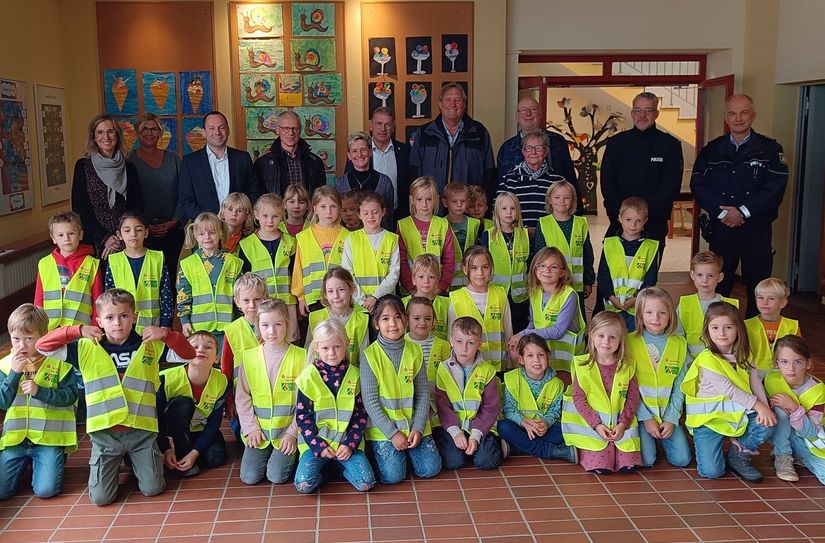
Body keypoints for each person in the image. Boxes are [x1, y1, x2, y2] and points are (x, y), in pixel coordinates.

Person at [36, 289, 196, 505]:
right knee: (101, 499)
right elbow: (42, 346)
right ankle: (122, 460)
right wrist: (77, 330)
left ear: (135, 317)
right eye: (110, 317)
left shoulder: (149, 344)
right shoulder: (85, 347)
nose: (117, 323)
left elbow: (189, 354)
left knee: (153, 489)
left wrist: (167, 334)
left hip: (141, 432)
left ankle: (134, 460)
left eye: (124, 316)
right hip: (105, 435)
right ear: (99, 321)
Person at [691, 94, 789, 318]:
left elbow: (775, 188)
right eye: (732, 113)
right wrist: (724, 211)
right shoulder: (712, 150)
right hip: (722, 229)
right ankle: (717, 335)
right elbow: (698, 184)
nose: (738, 118)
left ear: (753, 116)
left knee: (759, 288)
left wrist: (743, 211)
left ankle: (754, 338)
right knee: (717, 285)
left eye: (744, 112)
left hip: (757, 229)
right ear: (726, 117)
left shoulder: (771, 150)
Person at [681, 301, 776, 481]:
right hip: (709, 421)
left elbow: (755, 382)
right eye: (715, 327)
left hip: (737, 414)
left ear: (738, 329)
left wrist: (765, 408)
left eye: (728, 327)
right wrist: (758, 406)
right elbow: (730, 390)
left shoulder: (745, 354)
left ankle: (738, 452)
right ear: (707, 330)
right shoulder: (706, 359)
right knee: (712, 472)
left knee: (767, 423)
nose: (721, 333)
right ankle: (722, 445)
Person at [361, 295, 442, 484]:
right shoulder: (369, 356)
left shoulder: (415, 351)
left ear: (405, 320)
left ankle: (408, 453)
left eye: (398, 317)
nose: (393, 324)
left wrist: (419, 428)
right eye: (385, 318)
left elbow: (423, 394)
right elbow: (370, 401)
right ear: (376, 324)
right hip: (385, 431)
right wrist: (393, 434)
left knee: (431, 469)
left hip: (413, 425)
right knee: (393, 477)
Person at [0, 304, 77, 500]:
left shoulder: (60, 362)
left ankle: (53, 459)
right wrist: (14, 374)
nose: (21, 345)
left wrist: (40, 391)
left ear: (43, 335)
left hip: (48, 440)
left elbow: (71, 396)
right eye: (16, 339)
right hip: (16, 442)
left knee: (46, 491)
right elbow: (2, 402)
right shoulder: (4, 365)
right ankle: (24, 463)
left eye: (29, 338)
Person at [294, 319, 375, 493]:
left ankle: (338, 466)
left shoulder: (355, 375)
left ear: (346, 344)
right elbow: (303, 418)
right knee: (303, 485)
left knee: (366, 483)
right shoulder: (308, 377)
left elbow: (360, 415)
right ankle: (325, 469)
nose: (331, 353)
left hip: (346, 444)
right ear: (316, 348)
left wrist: (350, 444)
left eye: (337, 347)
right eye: (325, 348)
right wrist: (319, 447)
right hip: (316, 445)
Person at [600, 92, 683, 256]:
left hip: (654, 224)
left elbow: (670, 187)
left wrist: (641, 217)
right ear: (632, 113)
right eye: (637, 110)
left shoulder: (670, 145)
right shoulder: (616, 143)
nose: (642, 115)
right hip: (619, 223)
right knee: (612, 277)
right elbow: (607, 184)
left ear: (656, 114)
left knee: (648, 280)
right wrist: (624, 217)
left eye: (648, 110)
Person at [236, 299, 307, 485]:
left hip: (287, 433)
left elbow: (307, 401)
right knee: (249, 477)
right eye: (265, 325)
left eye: (278, 324)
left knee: (276, 477)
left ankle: (292, 454)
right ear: (258, 326)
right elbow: (242, 397)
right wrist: (250, 428)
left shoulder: (301, 356)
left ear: (288, 324)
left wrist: (293, 433)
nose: (272, 331)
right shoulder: (249, 357)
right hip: (259, 432)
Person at [561, 311, 642, 474]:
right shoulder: (582, 365)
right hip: (593, 427)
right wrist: (597, 425)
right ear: (591, 335)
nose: (606, 342)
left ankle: (617, 450)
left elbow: (633, 398)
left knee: (629, 467)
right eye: (601, 336)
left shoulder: (627, 366)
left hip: (622, 426)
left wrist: (622, 424)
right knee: (602, 467)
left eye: (612, 337)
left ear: (620, 340)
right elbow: (579, 399)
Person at [627, 288, 692, 468]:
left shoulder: (679, 344)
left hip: (667, 413)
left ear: (670, 315)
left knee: (682, 460)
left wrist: (672, 418)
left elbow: (681, 386)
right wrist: (646, 419)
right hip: (641, 414)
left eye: (662, 312)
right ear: (640, 314)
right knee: (647, 461)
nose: (655, 318)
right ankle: (650, 437)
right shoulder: (628, 342)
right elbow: (627, 386)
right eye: (649, 312)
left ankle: (662, 436)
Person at [433, 316, 502, 470]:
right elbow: (442, 406)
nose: (464, 348)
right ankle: (463, 449)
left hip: (481, 427)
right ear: (451, 341)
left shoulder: (488, 371)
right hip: (452, 426)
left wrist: (476, 436)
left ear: (479, 344)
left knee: (486, 461)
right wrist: (456, 433)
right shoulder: (443, 370)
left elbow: (490, 407)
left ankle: (497, 446)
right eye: (459, 341)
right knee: (453, 462)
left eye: (470, 343)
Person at [157, 331, 229, 477]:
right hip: (172, 429)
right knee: (183, 403)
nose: (200, 350)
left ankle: (186, 457)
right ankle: (179, 453)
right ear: (184, 354)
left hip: (199, 429)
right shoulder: (166, 379)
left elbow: (214, 423)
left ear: (216, 358)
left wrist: (194, 454)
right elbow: (155, 417)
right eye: (194, 347)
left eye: (208, 347)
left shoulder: (221, 381)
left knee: (216, 457)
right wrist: (165, 448)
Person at [72, 114, 144, 258]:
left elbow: (136, 207)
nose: (106, 137)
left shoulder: (129, 168)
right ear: (94, 137)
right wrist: (105, 238)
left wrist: (120, 237)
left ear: (117, 135)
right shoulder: (83, 166)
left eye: (110, 131)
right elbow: (79, 208)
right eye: (100, 132)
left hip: (125, 240)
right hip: (94, 239)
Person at [409, 83, 497, 201]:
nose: (453, 104)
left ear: (464, 104)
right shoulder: (425, 133)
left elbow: (489, 174)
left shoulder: (479, 133)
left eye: (458, 100)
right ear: (440, 104)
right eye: (448, 99)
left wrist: (478, 204)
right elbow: (414, 173)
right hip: (433, 209)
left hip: (468, 208)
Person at [498, 334, 576, 462]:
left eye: (541, 355)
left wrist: (545, 424)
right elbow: (509, 410)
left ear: (547, 357)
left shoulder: (556, 384)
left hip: (543, 428)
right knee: (504, 427)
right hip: (520, 425)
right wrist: (525, 423)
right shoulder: (512, 379)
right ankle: (552, 451)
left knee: (564, 430)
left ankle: (515, 447)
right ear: (521, 360)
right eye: (530, 356)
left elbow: (555, 411)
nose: (536, 360)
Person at [176, 212, 243, 357]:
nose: (207, 237)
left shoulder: (233, 262)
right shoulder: (188, 264)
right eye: (201, 234)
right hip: (199, 329)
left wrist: (241, 321)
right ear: (195, 235)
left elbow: (241, 294)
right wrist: (184, 320)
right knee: (203, 364)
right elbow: (183, 294)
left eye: (212, 232)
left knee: (226, 365)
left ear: (220, 233)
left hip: (228, 327)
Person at [509, 247, 584, 375]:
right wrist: (523, 342)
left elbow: (558, 331)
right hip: (544, 352)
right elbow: (534, 321)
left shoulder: (569, 295)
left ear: (562, 273)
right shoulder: (535, 292)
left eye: (554, 267)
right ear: (535, 269)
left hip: (565, 360)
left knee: (562, 386)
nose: (547, 270)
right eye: (542, 265)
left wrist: (523, 334)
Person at [128, 113, 184, 279]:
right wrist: (144, 225)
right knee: (148, 276)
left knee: (170, 274)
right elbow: (127, 198)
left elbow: (185, 193)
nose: (149, 133)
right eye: (145, 129)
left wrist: (174, 221)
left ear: (160, 133)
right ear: (138, 132)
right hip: (142, 231)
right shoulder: (129, 160)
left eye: (154, 129)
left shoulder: (174, 159)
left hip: (173, 229)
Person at [177, 111, 259, 222]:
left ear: (228, 130)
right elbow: (186, 201)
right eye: (211, 128)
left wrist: (240, 216)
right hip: (205, 231)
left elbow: (253, 193)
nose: (217, 132)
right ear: (204, 132)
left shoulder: (243, 158)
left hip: (239, 227)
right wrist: (208, 221)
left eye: (221, 127)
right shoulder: (190, 162)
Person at [765, 335, 825, 484]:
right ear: (776, 363)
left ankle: (799, 455)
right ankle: (783, 456)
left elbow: (810, 433)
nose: (790, 368)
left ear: (808, 364)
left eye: (797, 362)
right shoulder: (771, 379)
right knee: (779, 411)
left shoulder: (817, 391)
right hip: (784, 435)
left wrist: (795, 408)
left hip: (810, 439)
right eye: (784, 362)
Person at [238, 193, 298, 338]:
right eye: (265, 216)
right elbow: (245, 279)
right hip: (261, 305)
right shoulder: (246, 244)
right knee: (264, 339)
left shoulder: (290, 242)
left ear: (282, 216)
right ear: (256, 215)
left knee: (289, 339)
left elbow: (296, 273)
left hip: (287, 303)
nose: (270, 221)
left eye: (275, 216)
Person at [534, 181, 595, 319]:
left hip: (576, 285)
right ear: (550, 199)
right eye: (557, 197)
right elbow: (538, 256)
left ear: (573, 200)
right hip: (551, 284)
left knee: (577, 319)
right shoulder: (544, 224)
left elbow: (587, 254)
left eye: (567, 197)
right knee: (553, 317)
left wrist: (588, 281)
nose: (562, 201)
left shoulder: (581, 223)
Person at [597, 197, 660, 332]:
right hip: (613, 305)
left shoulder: (651, 247)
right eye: (628, 220)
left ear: (645, 221)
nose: (633, 225)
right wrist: (610, 296)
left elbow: (651, 279)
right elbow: (603, 275)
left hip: (638, 307)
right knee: (615, 338)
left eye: (638, 221)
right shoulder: (609, 244)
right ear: (619, 218)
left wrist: (637, 298)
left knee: (635, 340)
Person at [105, 212, 174, 333]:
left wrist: (166, 323)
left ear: (146, 233)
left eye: (138, 230)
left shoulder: (157, 258)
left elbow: (166, 294)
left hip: (153, 326)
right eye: (127, 230)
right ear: (119, 235)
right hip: (123, 327)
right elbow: (109, 296)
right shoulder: (114, 261)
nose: (133, 234)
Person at [36, 211, 103, 330]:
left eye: (71, 233)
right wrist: (38, 327)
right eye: (60, 235)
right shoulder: (44, 263)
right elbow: (39, 299)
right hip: (51, 327)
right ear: (53, 238)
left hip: (82, 328)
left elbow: (97, 299)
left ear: (80, 235)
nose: (66, 238)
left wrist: (96, 327)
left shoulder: (92, 264)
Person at [448, 246, 512, 372]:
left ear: (491, 268)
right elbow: (452, 338)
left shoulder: (500, 294)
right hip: (469, 368)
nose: (480, 273)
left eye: (485, 267)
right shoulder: (456, 298)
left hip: (498, 365)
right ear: (465, 269)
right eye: (474, 268)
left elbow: (508, 330)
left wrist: (510, 361)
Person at [497, 131, 575, 230]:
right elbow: (497, 212)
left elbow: (567, 213)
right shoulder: (508, 180)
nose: (533, 152)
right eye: (529, 148)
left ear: (546, 151)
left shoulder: (558, 181)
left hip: (548, 237)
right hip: (517, 238)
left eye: (538, 148)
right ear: (523, 152)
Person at [496, 96, 577, 191]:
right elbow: (499, 186)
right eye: (523, 110)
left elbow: (570, 179)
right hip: (516, 204)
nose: (528, 113)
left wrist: (577, 205)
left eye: (533, 109)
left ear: (540, 114)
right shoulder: (506, 148)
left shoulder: (558, 142)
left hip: (553, 204)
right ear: (517, 116)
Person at [291, 186, 348, 317]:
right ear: (315, 208)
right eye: (323, 207)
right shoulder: (304, 236)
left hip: (340, 298)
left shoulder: (348, 236)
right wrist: (301, 297)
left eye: (333, 206)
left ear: (339, 208)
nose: (328, 211)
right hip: (314, 298)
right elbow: (298, 269)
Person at [478, 191, 530, 332]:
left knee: (519, 329)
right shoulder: (487, 235)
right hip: (497, 292)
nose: (509, 212)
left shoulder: (524, 235)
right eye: (504, 208)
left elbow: (530, 263)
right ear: (497, 211)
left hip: (520, 296)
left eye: (512, 208)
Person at [341, 191, 400, 312]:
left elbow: (394, 273)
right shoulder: (351, 238)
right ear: (359, 214)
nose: (370, 217)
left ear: (383, 212)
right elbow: (347, 272)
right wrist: (361, 300)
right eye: (365, 213)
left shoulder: (391, 239)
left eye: (375, 212)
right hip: (358, 303)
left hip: (385, 302)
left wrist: (375, 297)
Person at [398, 176, 456, 294]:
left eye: (429, 199)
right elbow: (401, 261)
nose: (424, 204)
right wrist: (411, 288)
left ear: (436, 200)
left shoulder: (443, 224)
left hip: (437, 291)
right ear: (412, 200)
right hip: (411, 291)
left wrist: (441, 287)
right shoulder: (403, 225)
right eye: (419, 199)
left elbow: (449, 260)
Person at [677, 251, 740, 357]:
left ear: (719, 277)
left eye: (710, 276)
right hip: (692, 363)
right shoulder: (684, 304)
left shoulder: (730, 305)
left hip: (722, 362)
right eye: (700, 275)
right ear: (692, 275)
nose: (704, 280)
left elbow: (738, 338)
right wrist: (687, 361)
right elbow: (678, 336)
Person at [354, 107, 411, 220]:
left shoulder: (405, 150)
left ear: (393, 126)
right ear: (371, 126)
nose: (383, 129)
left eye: (388, 124)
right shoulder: (361, 152)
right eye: (378, 124)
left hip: (398, 215)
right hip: (368, 217)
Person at [305, 268, 369, 367]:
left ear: (352, 289)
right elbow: (309, 355)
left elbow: (364, 359)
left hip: (351, 377)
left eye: (341, 290)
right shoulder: (315, 318)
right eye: (330, 291)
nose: (336, 296)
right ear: (325, 294)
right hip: (320, 378)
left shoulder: (362, 319)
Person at [253, 110, 326, 197]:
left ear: (300, 130)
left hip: (308, 210)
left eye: (295, 128)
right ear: (277, 130)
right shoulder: (262, 164)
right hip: (276, 210)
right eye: (286, 128)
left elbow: (321, 196)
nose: (291, 133)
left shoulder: (315, 162)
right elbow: (258, 197)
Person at [335, 132, 396, 230]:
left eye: (363, 150)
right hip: (349, 239)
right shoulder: (340, 183)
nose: (359, 154)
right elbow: (337, 216)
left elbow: (390, 217)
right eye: (354, 151)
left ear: (370, 152)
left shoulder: (385, 182)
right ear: (349, 155)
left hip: (378, 239)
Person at [745, 278, 800, 376]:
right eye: (760, 298)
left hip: (782, 373)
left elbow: (798, 352)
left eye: (771, 298)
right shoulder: (746, 325)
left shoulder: (792, 325)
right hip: (752, 372)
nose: (765, 302)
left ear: (782, 303)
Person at [442, 181, 480, 290]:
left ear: (468, 202)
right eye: (454, 201)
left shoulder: (474, 223)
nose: (459, 205)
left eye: (463, 201)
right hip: (448, 282)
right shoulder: (441, 224)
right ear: (445, 203)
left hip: (471, 281)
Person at [404, 254, 450, 340]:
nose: (426, 281)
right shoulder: (403, 304)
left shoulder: (448, 304)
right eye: (421, 277)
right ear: (413, 279)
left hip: (439, 351)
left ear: (438, 280)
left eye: (431, 277)